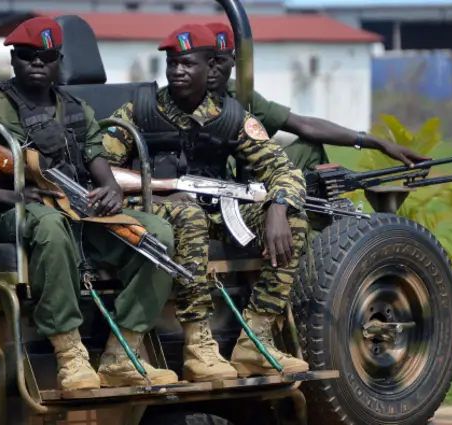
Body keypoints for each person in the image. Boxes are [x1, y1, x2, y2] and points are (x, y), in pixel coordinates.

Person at [0, 17, 179, 389]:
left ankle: (123, 353)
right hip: (11, 213)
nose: (37, 63)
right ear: (14, 59)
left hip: (76, 210)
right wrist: (17, 194)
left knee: (157, 232)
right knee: (50, 227)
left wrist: (112, 193)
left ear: (59, 61)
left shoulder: (75, 109)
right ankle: (69, 355)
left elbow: (101, 171)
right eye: (27, 55)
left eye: (47, 56)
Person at [97, 24, 310, 380]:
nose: (178, 71)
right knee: (188, 213)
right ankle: (198, 345)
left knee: (296, 220)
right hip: (153, 207)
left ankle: (254, 338)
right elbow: (103, 170)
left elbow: (283, 170)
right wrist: (162, 186)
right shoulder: (139, 110)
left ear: (211, 66)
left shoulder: (231, 117)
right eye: (172, 63)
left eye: (187, 64)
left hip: (217, 209)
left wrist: (278, 207)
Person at [203, 22, 431, 173]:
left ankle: (320, 233)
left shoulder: (239, 94)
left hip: (246, 183)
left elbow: (304, 125)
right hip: (208, 186)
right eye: (206, 62)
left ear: (234, 62)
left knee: (310, 147)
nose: (212, 70)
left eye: (220, 61)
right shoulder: (179, 100)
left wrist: (377, 143)